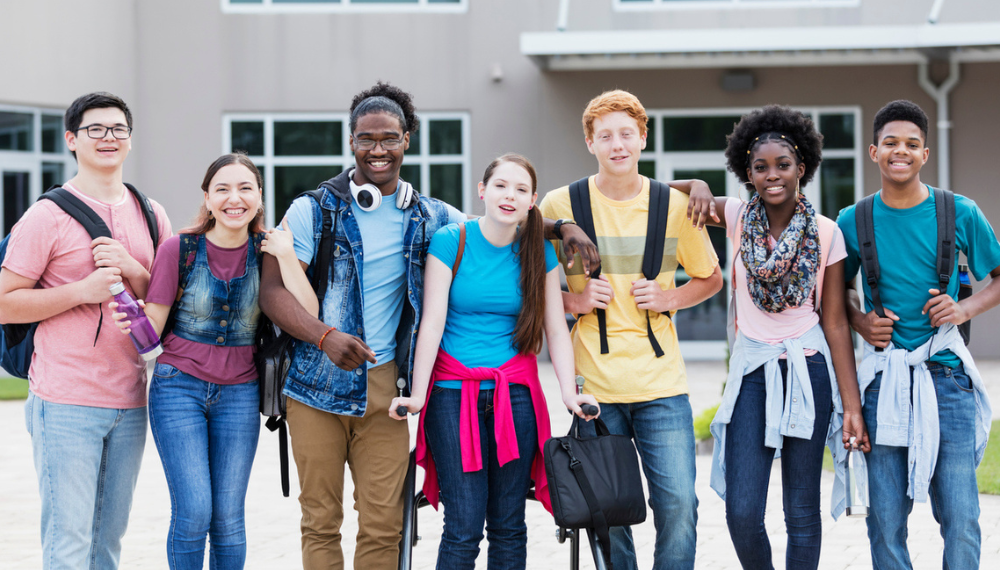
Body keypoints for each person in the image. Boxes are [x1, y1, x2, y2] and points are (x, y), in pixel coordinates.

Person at [258, 82, 598, 570]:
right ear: (350, 140)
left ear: (407, 140)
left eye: (389, 138)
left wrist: (561, 227)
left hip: (384, 381)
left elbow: (498, 224)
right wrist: (323, 336)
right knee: (320, 520)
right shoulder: (313, 209)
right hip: (315, 383)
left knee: (384, 523)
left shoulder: (431, 216)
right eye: (366, 138)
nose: (378, 149)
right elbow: (272, 293)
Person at [539, 89, 723, 570]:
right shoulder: (561, 204)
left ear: (643, 138)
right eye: (605, 136)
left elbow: (711, 278)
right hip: (594, 386)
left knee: (680, 505)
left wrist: (669, 298)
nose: (617, 145)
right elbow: (519, 281)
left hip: (661, 385)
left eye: (626, 134)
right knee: (609, 514)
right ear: (589, 142)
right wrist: (572, 301)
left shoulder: (675, 204)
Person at [389, 154, 600, 569]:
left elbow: (556, 329)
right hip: (452, 398)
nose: (510, 196)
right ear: (482, 191)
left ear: (532, 201)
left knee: (508, 525)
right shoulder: (453, 240)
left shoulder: (538, 252)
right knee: (463, 527)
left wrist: (570, 394)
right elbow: (430, 324)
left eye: (521, 190)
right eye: (501, 186)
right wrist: (416, 395)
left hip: (517, 398)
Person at [681, 105, 869, 569]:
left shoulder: (827, 233)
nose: (772, 176)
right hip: (752, 374)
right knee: (742, 511)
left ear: (801, 167)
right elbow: (654, 191)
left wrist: (851, 406)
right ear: (747, 172)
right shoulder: (738, 217)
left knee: (801, 510)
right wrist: (700, 186)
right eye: (760, 167)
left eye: (782, 165)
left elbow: (836, 322)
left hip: (809, 370)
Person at [109, 153, 313, 569]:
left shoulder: (269, 251)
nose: (233, 198)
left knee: (228, 519)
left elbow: (308, 315)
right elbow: (154, 326)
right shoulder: (178, 249)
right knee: (195, 510)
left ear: (259, 196)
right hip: (177, 387)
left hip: (240, 393)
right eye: (222, 189)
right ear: (207, 197)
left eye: (244, 188)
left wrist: (288, 255)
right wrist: (129, 315)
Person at [0, 92, 172, 569]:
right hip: (65, 400)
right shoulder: (46, 216)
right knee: (68, 544)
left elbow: (165, 297)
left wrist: (134, 269)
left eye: (118, 129)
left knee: (108, 543)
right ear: (72, 140)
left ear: (130, 140)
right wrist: (83, 290)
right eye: (95, 129)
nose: (108, 138)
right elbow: (3, 303)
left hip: (132, 399)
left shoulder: (150, 212)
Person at [836, 100, 1000, 569]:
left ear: (925, 154)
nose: (900, 151)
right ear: (874, 152)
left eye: (911, 144)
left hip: (945, 381)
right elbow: (835, 297)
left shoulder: (959, 211)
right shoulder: (853, 220)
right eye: (890, 143)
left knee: (962, 516)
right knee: (885, 521)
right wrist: (860, 320)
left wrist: (964, 306)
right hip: (883, 382)